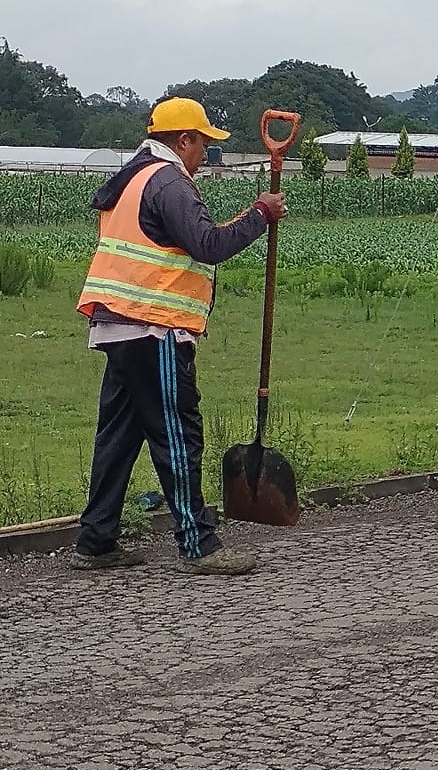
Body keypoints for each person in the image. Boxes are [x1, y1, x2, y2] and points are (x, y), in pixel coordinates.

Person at [73, 97, 285, 573]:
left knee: (119, 437)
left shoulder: (131, 178)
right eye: (203, 144)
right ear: (182, 140)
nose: (206, 155)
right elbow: (208, 244)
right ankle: (198, 544)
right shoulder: (169, 182)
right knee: (177, 434)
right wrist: (260, 215)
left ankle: (97, 540)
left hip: (117, 324)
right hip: (155, 328)